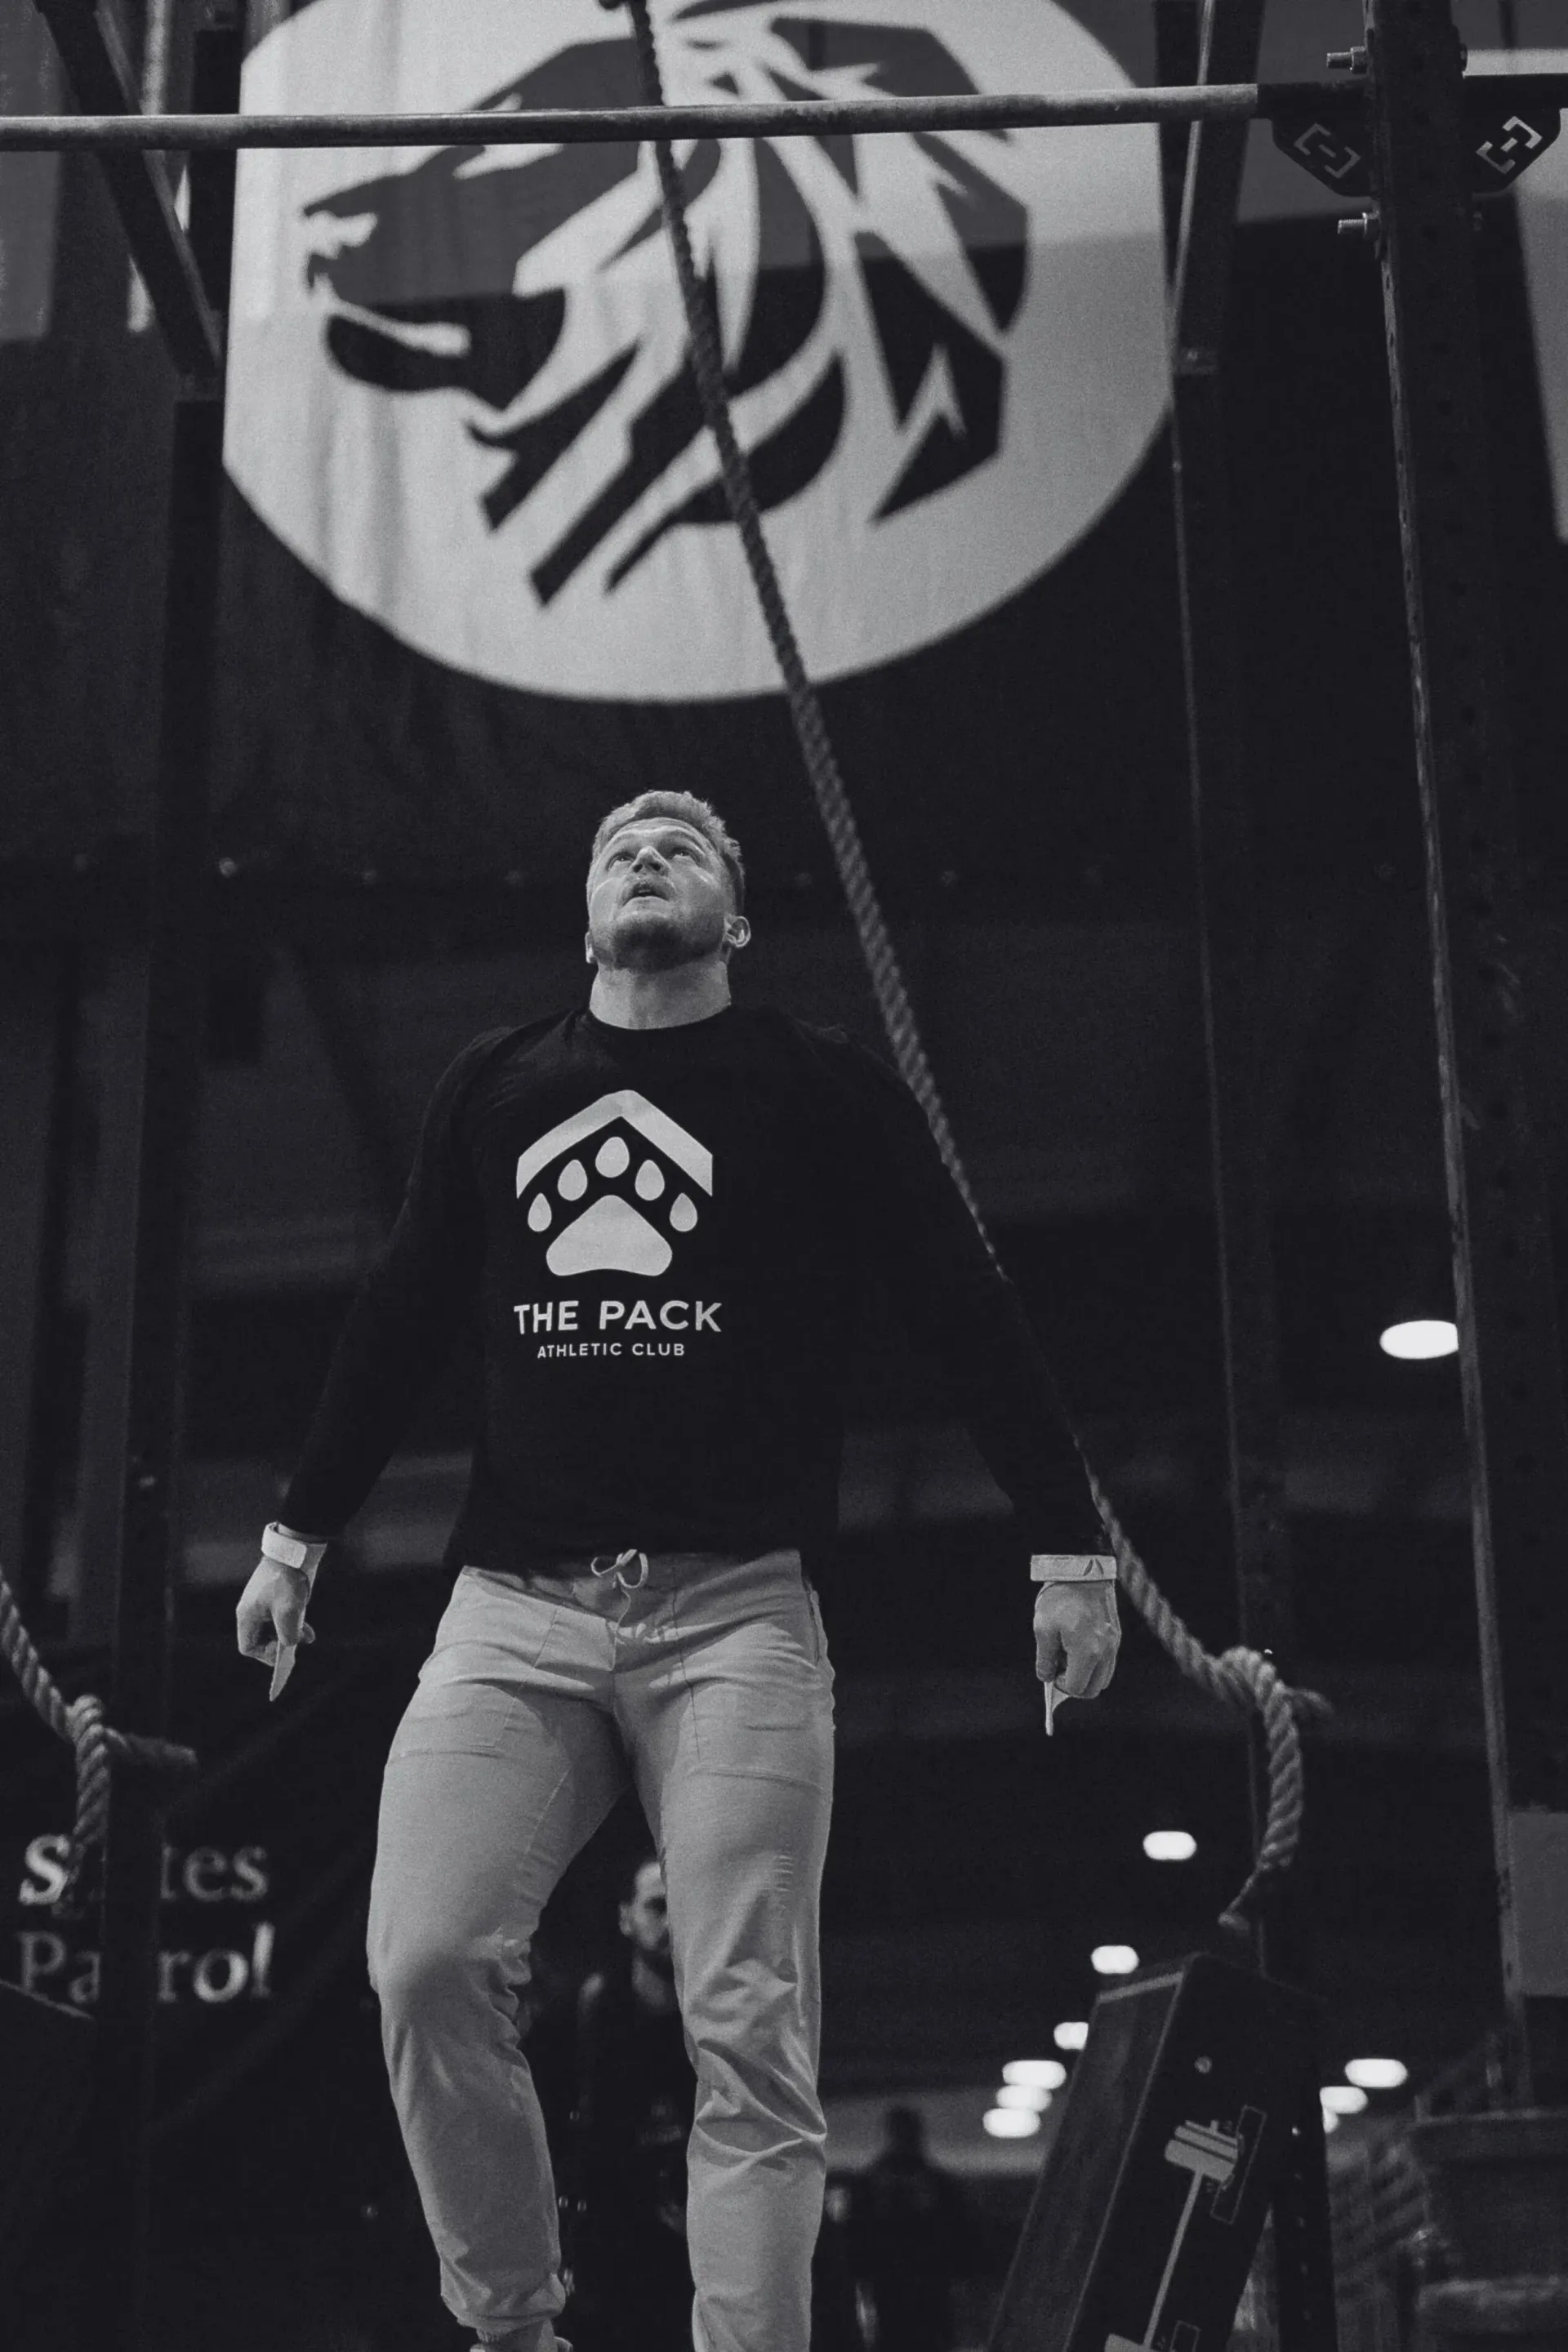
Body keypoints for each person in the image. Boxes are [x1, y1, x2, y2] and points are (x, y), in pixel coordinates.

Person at [234, 790, 1121, 2352]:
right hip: (516, 1609)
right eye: (619, 845)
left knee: (747, 2023)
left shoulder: (815, 1089)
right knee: (424, 1963)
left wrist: (1071, 1549)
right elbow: (396, 1320)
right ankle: (513, 2327)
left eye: (687, 844)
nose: (650, 849)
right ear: (586, 919)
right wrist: (293, 1536)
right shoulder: (499, 1087)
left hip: (738, 1618)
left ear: (741, 917)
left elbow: (968, 1308)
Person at [564, 1855, 696, 2352]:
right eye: (658, 1906)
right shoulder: (590, 2014)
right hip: (613, 2264)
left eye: (684, 1907)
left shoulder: (720, 2024)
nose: (672, 1922)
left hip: (698, 2262)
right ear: (626, 1917)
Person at [850, 2106, 974, 2352]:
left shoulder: (874, 2183)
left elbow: (858, 2240)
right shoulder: (935, 2183)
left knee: (903, 2332)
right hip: (912, 2284)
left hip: (907, 2284)